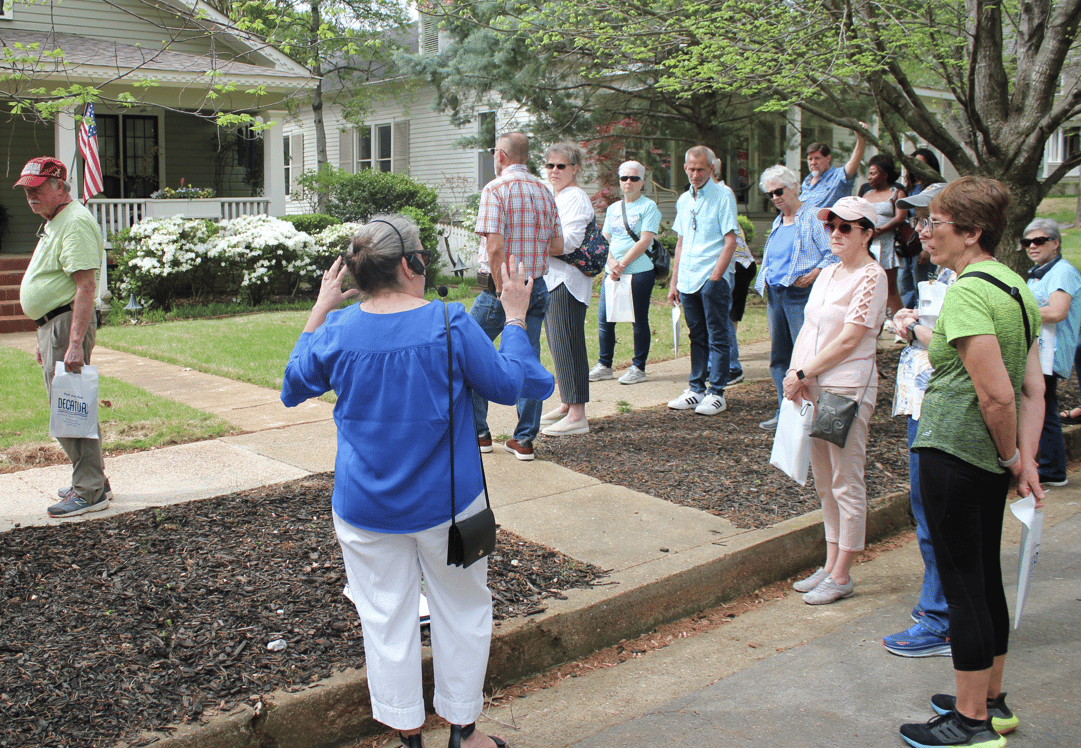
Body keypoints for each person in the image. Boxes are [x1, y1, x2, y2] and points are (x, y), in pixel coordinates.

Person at [281, 216, 554, 748]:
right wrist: (516, 320)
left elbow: (294, 385)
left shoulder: (337, 331)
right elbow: (508, 383)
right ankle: (463, 734)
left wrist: (321, 307)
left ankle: (407, 736)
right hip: (448, 505)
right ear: (410, 265)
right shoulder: (450, 323)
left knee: (384, 618)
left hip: (364, 507)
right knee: (464, 610)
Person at [902, 177, 1044, 748]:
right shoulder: (1014, 286)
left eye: (934, 222)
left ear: (970, 232)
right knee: (985, 580)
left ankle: (971, 723)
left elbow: (999, 396)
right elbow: (1034, 387)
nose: (925, 231)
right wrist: (1025, 460)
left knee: (963, 587)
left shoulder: (966, 292)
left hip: (956, 453)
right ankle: (990, 698)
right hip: (987, 458)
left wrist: (1014, 456)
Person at [783, 196, 887, 605]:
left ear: (867, 233)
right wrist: (798, 376)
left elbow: (850, 338)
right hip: (813, 388)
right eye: (831, 226)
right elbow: (810, 331)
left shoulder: (872, 277)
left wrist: (804, 373)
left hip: (845, 390)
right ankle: (829, 564)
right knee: (824, 482)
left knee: (846, 480)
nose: (836, 233)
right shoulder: (827, 273)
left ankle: (843, 573)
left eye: (847, 227)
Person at [882, 183, 956, 658]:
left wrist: (912, 329)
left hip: (944, 418)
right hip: (922, 409)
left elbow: (956, 346)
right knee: (927, 511)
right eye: (920, 220)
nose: (922, 231)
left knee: (939, 516)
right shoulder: (944, 277)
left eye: (931, 221)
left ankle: (943, 619)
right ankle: (940, 605)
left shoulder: (975, 284)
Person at [16, 157, 111, 519]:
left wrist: (72, 343)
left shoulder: (74, 223)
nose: (30, 196)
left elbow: (86, 287)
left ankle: (89, 491)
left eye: (37, 188)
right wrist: (45, 334)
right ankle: (92, 480)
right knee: (71, 405)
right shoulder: (56, 220)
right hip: (54, 325)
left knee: (71, 407)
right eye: (26, 190)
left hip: (65, 323)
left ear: (60, 185)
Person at [471, 132, 563, 461]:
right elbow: (557, 246)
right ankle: (524, 440)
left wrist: (500, 289)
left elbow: (494, 247)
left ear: (501, 156)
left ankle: (479, 432)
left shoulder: (495, 189)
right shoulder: (544, 190)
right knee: (528, 358)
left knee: (469, 350)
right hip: (536, 285)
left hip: (504, 286)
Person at [754, 164, 836, 430]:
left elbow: (832, 254)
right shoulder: (779, 221)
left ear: (794, 187)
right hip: (776, 295)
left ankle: (814, 414)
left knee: (806, 356)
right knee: (779, 357)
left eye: (779, 191)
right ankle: (785, 411)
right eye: (770, 194)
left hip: (800, 295)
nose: (775, 197)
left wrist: (813, 276)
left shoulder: (812, 217)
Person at [666, 146, 739, 415]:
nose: (695, 174)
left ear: (711, 168)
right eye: (691, 169)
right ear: (685, 168)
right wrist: (674, 282)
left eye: (700, 169)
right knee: (696, 335)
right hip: (687, 278)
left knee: (717, 335)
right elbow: (681, 241)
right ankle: (696, 388)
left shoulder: (723, 195)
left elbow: (731, 239)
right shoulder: (685, 200)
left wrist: (716, 276)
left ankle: (716, 391)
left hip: (711, 276)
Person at [539, 142, 594, 436]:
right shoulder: (556, 195)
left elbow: (569, 242)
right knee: (558, 344)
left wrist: (531, 243)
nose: (555, 171)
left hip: (567, 280)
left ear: (575, 168)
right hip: (553, 278)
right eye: (550, 165)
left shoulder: (575, 198)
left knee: (569, 344)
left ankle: (577, 416)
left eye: (561, 166)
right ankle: (566, 404)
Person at [1023, 218, 1081, 487]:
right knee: (1042, 406)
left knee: (1044, 406)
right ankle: (1048, 465)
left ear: (1056, 243)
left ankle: (1053, 470)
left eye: (1039, 241)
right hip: (1038, 350)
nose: (1032, 246)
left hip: (1051, 351)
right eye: (1027, 242)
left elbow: (1057, 312)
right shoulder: (1038, 273)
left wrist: (1017, 311)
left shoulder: (1063, 272)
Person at [590, 159, 658, 386]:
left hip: (639, 272)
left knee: (638, 321)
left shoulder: (649, 207)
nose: (628, 182)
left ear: (642, 182)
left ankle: (639, 367)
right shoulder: (613, 208)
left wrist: (622, 264)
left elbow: (646, 240)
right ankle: (605, 365)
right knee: (604, 320)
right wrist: (611, 262)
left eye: (634, 178)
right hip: (613, 273)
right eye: (624, 178)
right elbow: (605, 239)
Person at [858, 153, 906, 316]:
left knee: (890, 286)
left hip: (886, 242)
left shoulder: (897, 192)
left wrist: (881, 230)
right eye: (869, 174)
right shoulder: (866, 195)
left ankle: (901, 322)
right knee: (869, 283)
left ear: (884, 175)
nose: (869, 177)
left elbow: (900, 217)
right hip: (868, 243)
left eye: (873, 173)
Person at [899, 150, 943, 309]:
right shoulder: (909, 188)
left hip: (924, 246)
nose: (916, 168)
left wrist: (926, 250)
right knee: (906, 281)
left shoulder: (933, 188)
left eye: (921, 164)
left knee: (925, 282)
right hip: (910, 245)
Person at [798, 124, 869, 209]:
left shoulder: (838, 177)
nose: (813, 162)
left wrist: (861, 140)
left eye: (817, 158)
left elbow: (854, 162)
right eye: (810, 159)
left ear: (828, 158)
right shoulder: (807, 182)